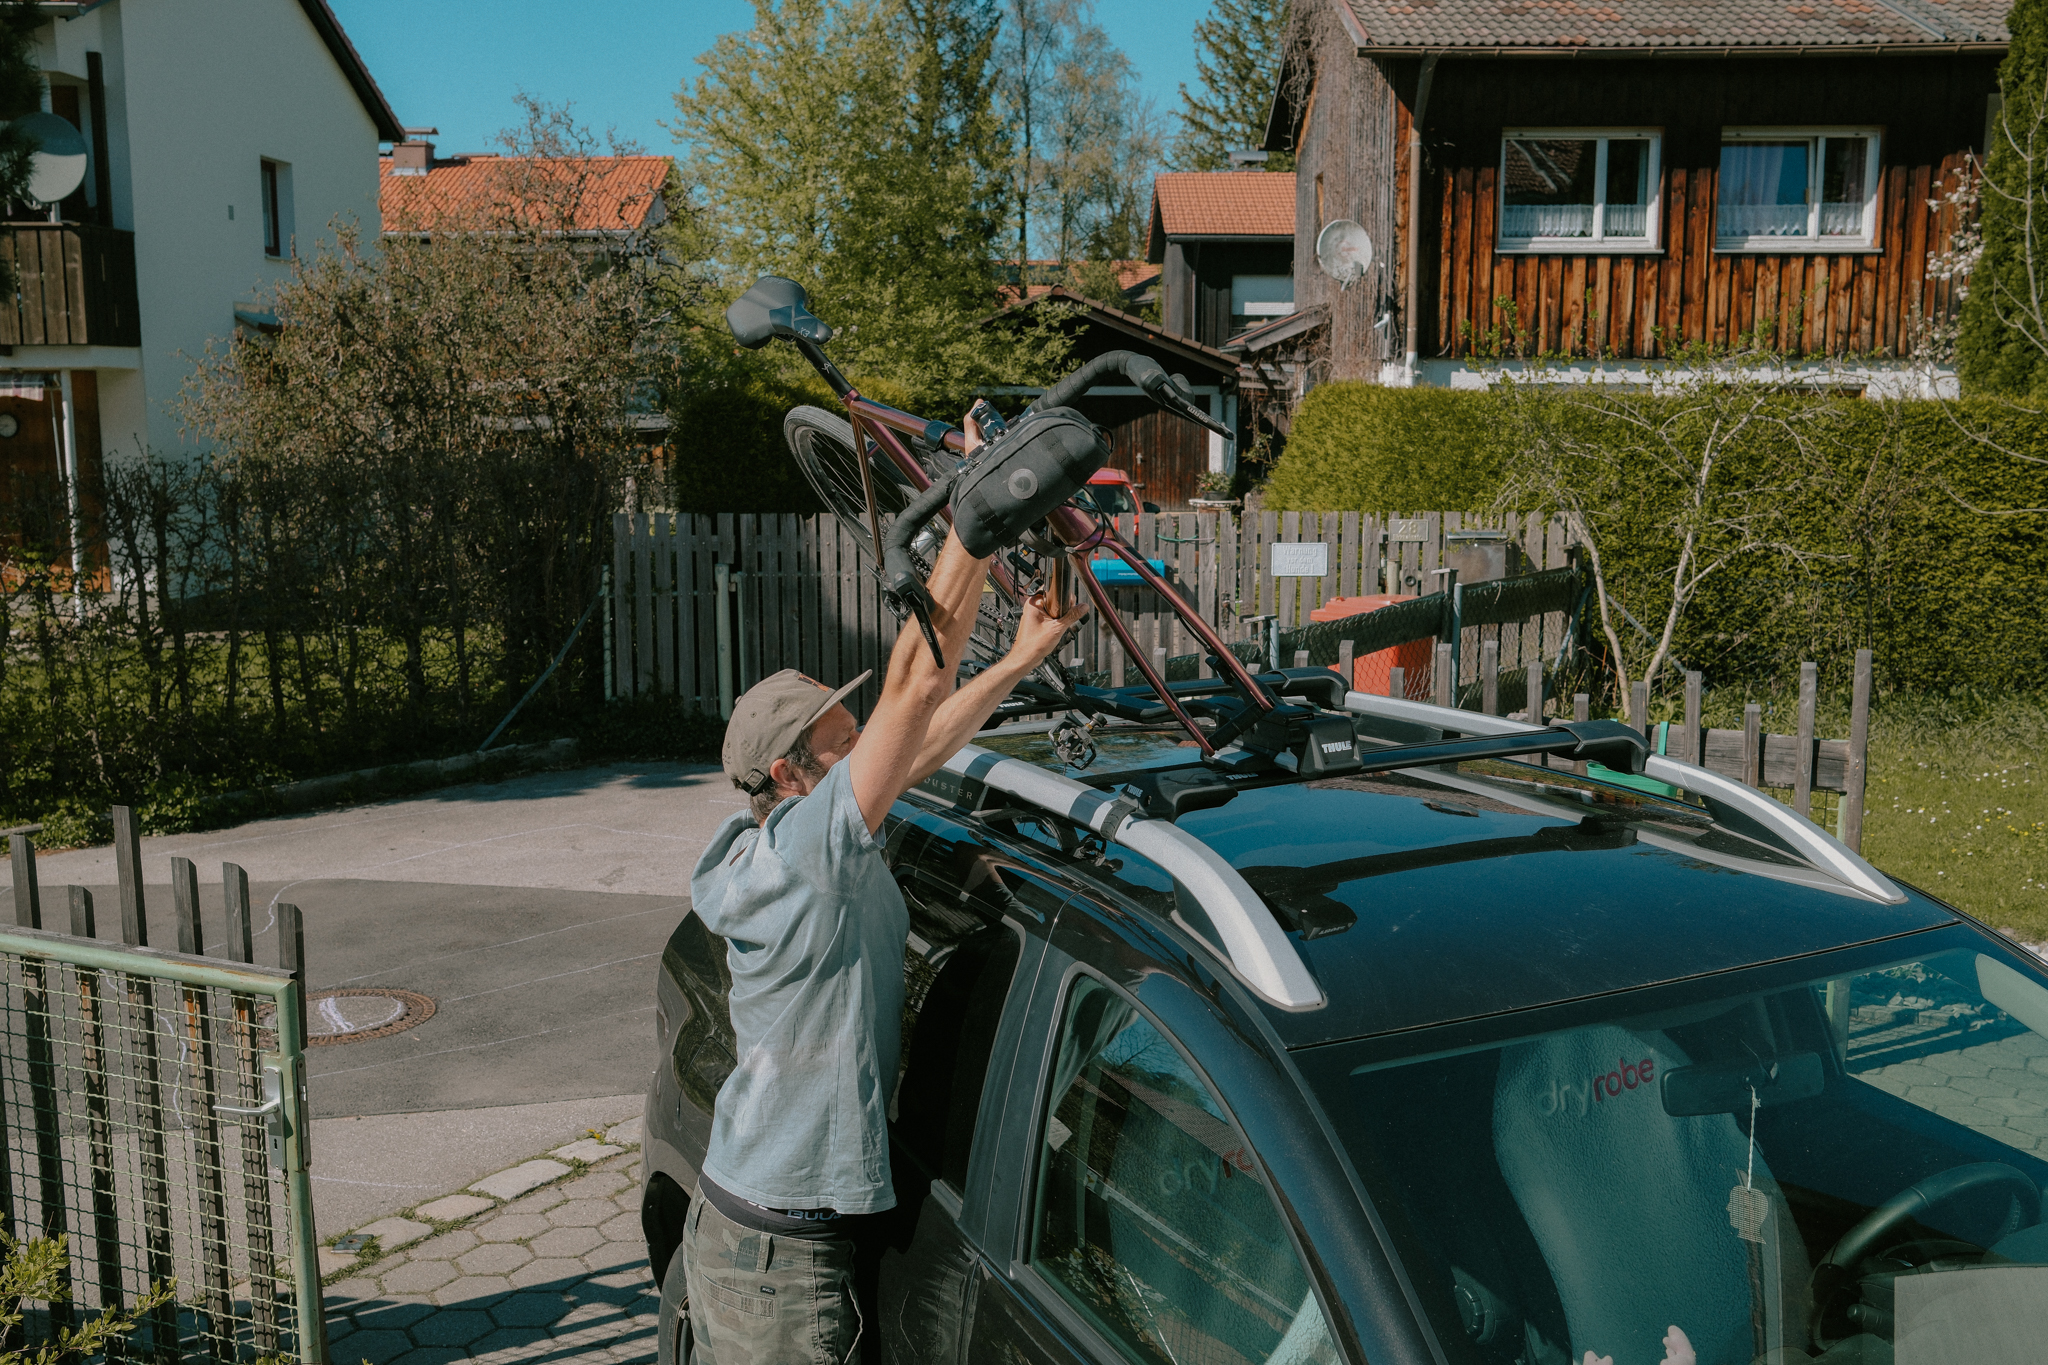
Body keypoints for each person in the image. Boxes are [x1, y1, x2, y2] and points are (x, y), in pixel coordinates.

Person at [681, 415, 1087, 1365]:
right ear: (790, 775)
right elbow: (912, 688)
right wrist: (976, 520)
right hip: (776, 1262)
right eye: (838, 739)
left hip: (758, 1231)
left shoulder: (797, 840)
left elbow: (916, 742)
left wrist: (1023, 659)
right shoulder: (802, 859)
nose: (858, 742)